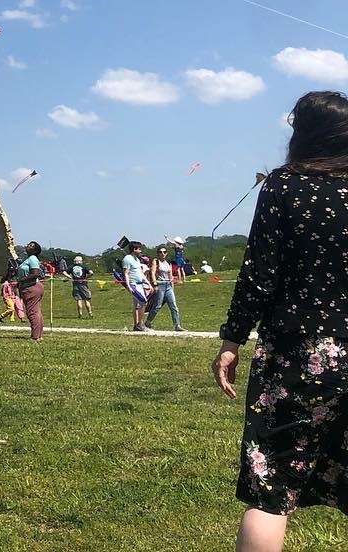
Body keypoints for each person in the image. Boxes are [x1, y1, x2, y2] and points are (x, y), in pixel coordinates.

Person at [213, 91, 348, 551]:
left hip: (298, 354)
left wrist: (232, 340)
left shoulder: (283, 186)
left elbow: (258, 275)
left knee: (270, 495)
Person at [146, 246, 183, 332]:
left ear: (166, 253)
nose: (162, 253)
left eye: (164, 252)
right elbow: (152, 272)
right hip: (160, 284)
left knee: (173, 306)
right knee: (157, 306)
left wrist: (172, 286)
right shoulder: (156, 261)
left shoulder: (168, 263)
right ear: (158, 253)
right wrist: (154, 284)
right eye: (160, 252)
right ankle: (147, 322)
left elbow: (171, 275)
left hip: (168, 285)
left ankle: (177, 325)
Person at [17, 241, 45, 341]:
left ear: (35, 250)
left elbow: (35, 273)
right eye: (29, 244)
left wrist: (21, 280)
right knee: (36, 311)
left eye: (31, 245)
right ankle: (39, 335)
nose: (28, 246)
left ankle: (35, 336)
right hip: (30, 287)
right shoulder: (28, 259)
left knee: (32, 312)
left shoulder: (32, 259)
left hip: (31, 287)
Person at [123, 241, 151, 331]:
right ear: (134, 249)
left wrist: (147, 282)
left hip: (140, 284)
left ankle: (136, 326)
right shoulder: (127, 259)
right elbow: (126, 273)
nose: (140, 250)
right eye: (139, 249)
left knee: (136, 305)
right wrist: (128, 286)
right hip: (133, 284)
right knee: (143, 302)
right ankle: (140, 324)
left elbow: (141, 273)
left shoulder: (137, 260)